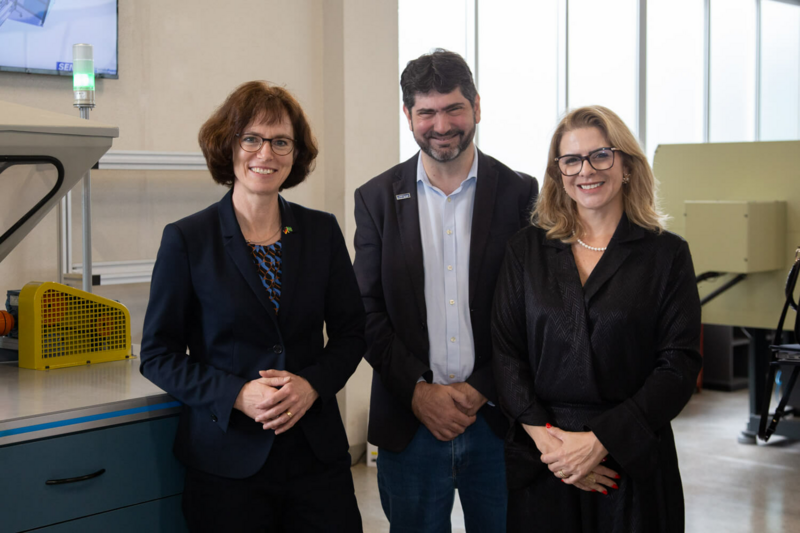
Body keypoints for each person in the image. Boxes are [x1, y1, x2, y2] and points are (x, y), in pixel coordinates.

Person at [140, 81, 365, 532]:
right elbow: (157, 355)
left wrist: (311, 385)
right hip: (226, 462)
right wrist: (236, 394)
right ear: (230, 145)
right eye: (252, 139)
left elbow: (352, 332)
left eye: (281, 141)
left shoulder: (321, 232)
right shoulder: (188, 239)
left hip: (315, 458)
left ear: (295, 154)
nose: (266, 153)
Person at [491, 105, 702, 533]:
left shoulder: (666, 255)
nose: (586, 170)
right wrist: (554, 448)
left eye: (600, 155)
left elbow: (678, 365)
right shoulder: (525, 250)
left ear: (625, 165)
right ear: (558, 173)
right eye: (571, 160)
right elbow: (506, 354)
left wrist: (600, 441)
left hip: (633, 457)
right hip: (544, 459)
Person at [353, 49, 538, 532]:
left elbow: (535, 309)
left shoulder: (521, 194)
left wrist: (482, 388)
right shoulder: (376, 199)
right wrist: (419, 391)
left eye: (454, 108)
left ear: (477, 106)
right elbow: (366, 310)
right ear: (408, 115)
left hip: (501, 421)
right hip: (410, 424)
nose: (441, 124)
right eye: (427, 112)